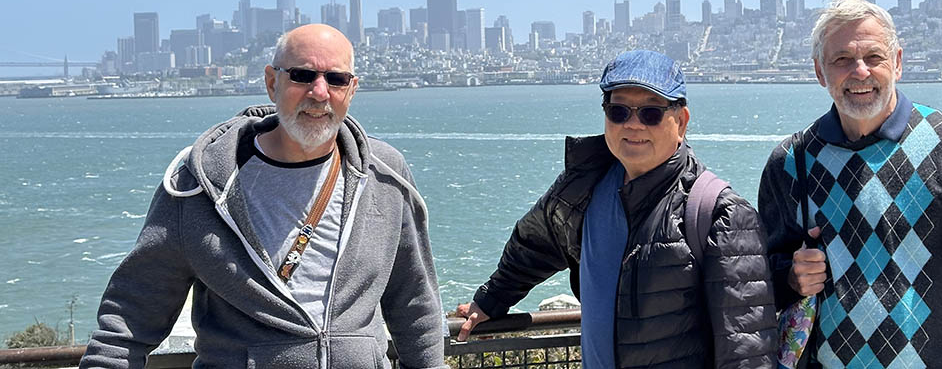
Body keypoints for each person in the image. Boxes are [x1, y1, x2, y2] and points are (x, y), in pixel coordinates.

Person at [80, 24, 445, 369]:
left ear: (351, 90)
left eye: (336, 79)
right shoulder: (199, 183)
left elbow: (413, 300)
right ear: (272, 82)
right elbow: (131, 314)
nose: (320, 92)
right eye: (302, 75)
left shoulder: (384, 174)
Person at [457, 49, 777, 368]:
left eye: (650, 113)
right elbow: (535, 244)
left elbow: (746, 350)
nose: (633, 125)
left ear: (681, 123)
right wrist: (490, 300)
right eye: (619, 111)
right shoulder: (582, 188)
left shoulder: (720, 214)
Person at [758, 0, 942, 368]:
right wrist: (791, 276)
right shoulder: (791, 161)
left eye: (874, 57)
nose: (860, 72)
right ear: (820, 72)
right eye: (842, 60)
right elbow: (758, 279)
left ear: (898, 63)